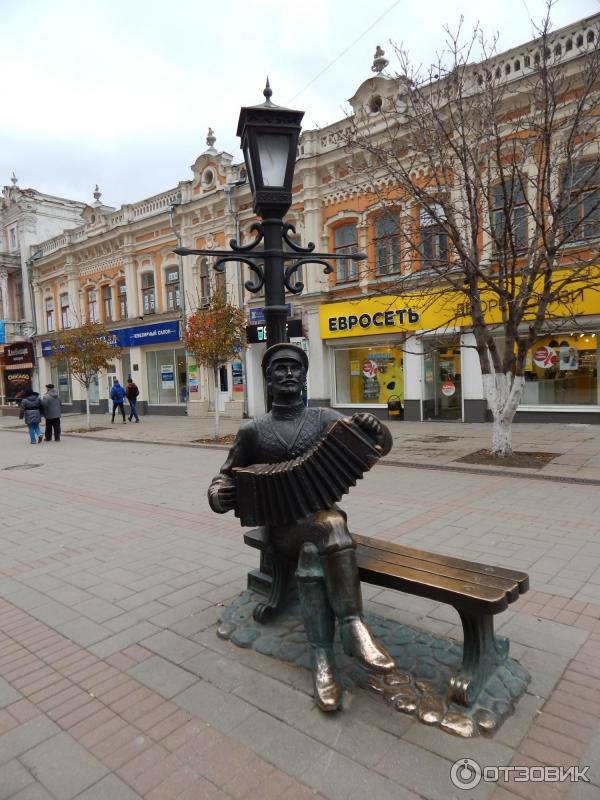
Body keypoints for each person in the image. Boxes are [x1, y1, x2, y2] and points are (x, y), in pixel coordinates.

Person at [209, 343, 395, 712]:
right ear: (268, 378)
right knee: (331, 525)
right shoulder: (254, 431)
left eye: (295, 368)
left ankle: (322, 658)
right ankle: (353, 626)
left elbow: (379, 445)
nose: (289, 374)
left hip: (321, 534)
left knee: (316, 550)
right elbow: (224, 477)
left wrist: (379, 430)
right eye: (280, 369)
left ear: (304, 376)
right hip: (284, 532)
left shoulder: (324, 419)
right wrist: (218, 495)